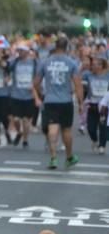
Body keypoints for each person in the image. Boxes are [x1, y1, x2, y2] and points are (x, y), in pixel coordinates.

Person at [33, 37, 83, 169]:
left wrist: (41, 94)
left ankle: (53, 157)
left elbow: (36, 83)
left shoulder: (45, 62)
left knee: (52, 129)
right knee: (66, 129)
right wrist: (81, 102)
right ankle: (69, 156)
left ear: (55, 47)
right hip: (65, 100)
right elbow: (78, 85)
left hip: (50, 100)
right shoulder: (71, 63)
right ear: (67, 47)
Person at [8, 44, 37, 149]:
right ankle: (19, 132)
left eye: (22, 51)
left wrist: (35, 87)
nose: (20, 53)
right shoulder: (15, 62)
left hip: (28, 96)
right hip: (16, 94)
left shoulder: (33, 62)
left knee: (26, 120)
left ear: (27, 52)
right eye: (19, 51)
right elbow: (7, 69)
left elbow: (37, 75)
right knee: (15, 119)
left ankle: (25, 140)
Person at [82, 54, 108, 154]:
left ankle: (102, 146)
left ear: (102, 66)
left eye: (97, 64)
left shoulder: (107, 76)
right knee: (90, 128)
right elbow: (80, 82)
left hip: (104, 107)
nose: (94, 66)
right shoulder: (88, 75)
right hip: (92, 105)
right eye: (93, 64)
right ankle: (94, 140)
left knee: (103, 127)